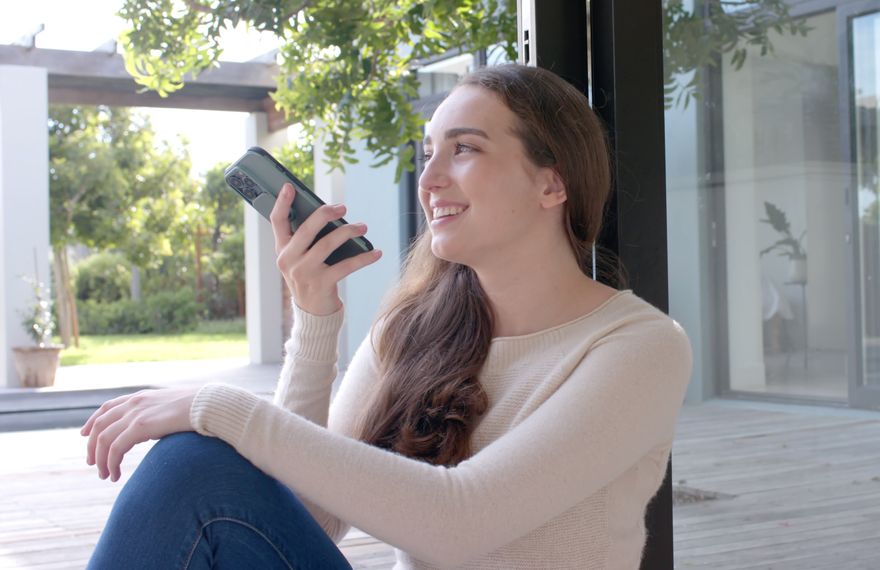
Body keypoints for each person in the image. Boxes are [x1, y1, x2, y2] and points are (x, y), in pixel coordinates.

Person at [81, 63, 692, 569]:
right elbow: (311, 516)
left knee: (196, 460)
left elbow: (461, 521)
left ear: (552, 184)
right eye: (428, 153)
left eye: (464, 148)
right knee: (195, 466)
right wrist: (315, 319)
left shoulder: (637, 346)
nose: (428, 178)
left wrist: (218, 408)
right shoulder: (415, 330)